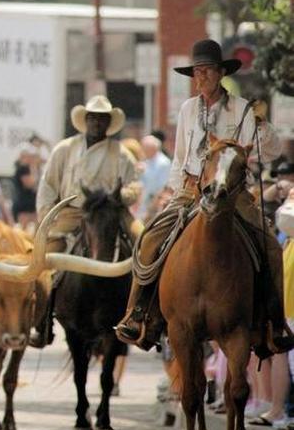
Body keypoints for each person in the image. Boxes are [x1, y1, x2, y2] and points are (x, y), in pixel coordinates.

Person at [115, 39, 289, 354]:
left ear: (221, 72)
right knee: (150, 238)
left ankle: (274, 323)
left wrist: (261, 127)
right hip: (191, 188)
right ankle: (138, 315)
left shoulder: (242, 108)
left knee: (270, 245)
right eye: (197, 71)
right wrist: (174, 192)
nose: (202, 77)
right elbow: (181, 157)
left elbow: (272, 150)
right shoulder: (186, 109)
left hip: (232, 192)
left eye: (207, 70)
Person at [30, 95, 141, 347]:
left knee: (146, 245)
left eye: (101, 118)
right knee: (43, 261)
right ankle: (42, 322)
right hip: (72, 211)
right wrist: (48, 214)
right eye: (92, 117)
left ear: (108, 122)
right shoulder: (65, 149)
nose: (96, 123)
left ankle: (144, 316)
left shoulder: (121, 153)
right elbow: (48, 185)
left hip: (111, 212)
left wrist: (121, 195)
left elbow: (134, 185)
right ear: (85, 120)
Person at [138, 135, 172, 221]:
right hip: (143, 204)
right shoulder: (146, 161)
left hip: (155, 206)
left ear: (153, 148)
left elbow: (162, 187)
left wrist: (151, 208)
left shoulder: (163, 163)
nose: (143, 151)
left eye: (145, 148)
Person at [12, 144, 42, 227]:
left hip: (32, 204)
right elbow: (30, 184)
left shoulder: (31, 169)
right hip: (23, 205)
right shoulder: (22, 169)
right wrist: (34, 166)